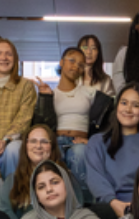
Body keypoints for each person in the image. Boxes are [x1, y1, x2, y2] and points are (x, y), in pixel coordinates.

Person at [33, 46, 114, 193]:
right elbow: (41, 125)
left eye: (81, 65)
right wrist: (45, 98)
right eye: (72, 61)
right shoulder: (51, 93)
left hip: (80, 142)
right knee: (49, 157)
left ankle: (81, 204)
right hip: (56, 141)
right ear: (62, 62)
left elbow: (109, 121)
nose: (76, 66)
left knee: (79, 153)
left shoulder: (90, 93)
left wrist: (93, 141)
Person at [86, 82, 139, 219]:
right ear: (117, 105)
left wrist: (138, 205)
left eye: (136, 105)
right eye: (124, 103)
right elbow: (96, 179)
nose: (128, 109)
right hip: (109, 207)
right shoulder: (97, 141)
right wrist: (114, 203)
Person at [0, 124, 85, 219]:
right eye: (33, 141)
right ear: (26, 146)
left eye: (44, 141)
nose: (38, 146)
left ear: (52, 147)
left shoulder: (66, 176)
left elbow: (77, 208)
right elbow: (3, 210)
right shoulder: (13, 179)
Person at [0, 38, 37, 178]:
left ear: (15, 59)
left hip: (14, 141)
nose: (4, 58)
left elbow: (24, 118)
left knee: (14, 149)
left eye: (9, 54)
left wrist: (6, 140)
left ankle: (11, 195)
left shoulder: (26, 86)